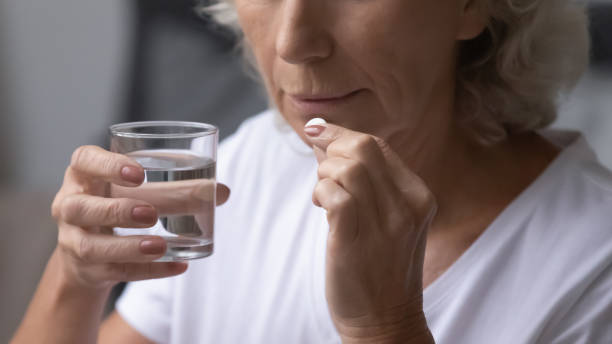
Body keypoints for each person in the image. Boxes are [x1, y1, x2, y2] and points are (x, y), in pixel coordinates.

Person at [11, 0, 612, 343]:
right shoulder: (251, 166)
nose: (295, 42)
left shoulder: (593, 267)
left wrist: (386, 325)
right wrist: (75, 276)